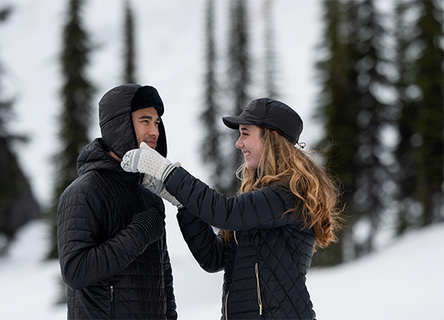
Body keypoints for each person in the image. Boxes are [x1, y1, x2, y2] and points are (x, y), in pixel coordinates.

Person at [121, 98, 343, 320]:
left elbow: (224, 213)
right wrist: (183, 204)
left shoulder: (289, 195)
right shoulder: (264, 199)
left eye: (246, 133)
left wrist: (167, 171)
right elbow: (213, 258)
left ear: (272, 138)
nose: (239, 143)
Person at [57, 84, 177, 320]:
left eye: (157, 123)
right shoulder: (83, 192)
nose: (154, 131)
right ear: (119, 125)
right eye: (145, 121)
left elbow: (164, 279)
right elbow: (75, 271)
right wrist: (140, 232)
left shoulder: (149, 194)